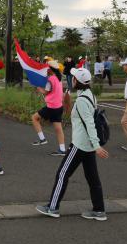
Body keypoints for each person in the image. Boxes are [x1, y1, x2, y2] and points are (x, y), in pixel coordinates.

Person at [36, 67, 109, 221]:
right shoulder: (90, 95)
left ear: (77, 81)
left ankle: (53, 207)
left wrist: (96, 146)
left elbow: (89, 123)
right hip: (87, 145)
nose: (71, 79)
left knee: (62, 174)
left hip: (80, 145)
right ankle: (99, 210)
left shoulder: (82, 101)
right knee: (92, 178)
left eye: (73, 77)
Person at [30, 60, 66, 156]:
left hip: (51, 107)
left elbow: (46, 91)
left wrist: (38, 88)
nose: (46, 69)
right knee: (58, 129)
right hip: (58, 106)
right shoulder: (58, 78)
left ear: (50, 69)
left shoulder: (51, 79)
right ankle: (62, 149)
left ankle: (42, 139)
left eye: (47, 68)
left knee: (34, 118)